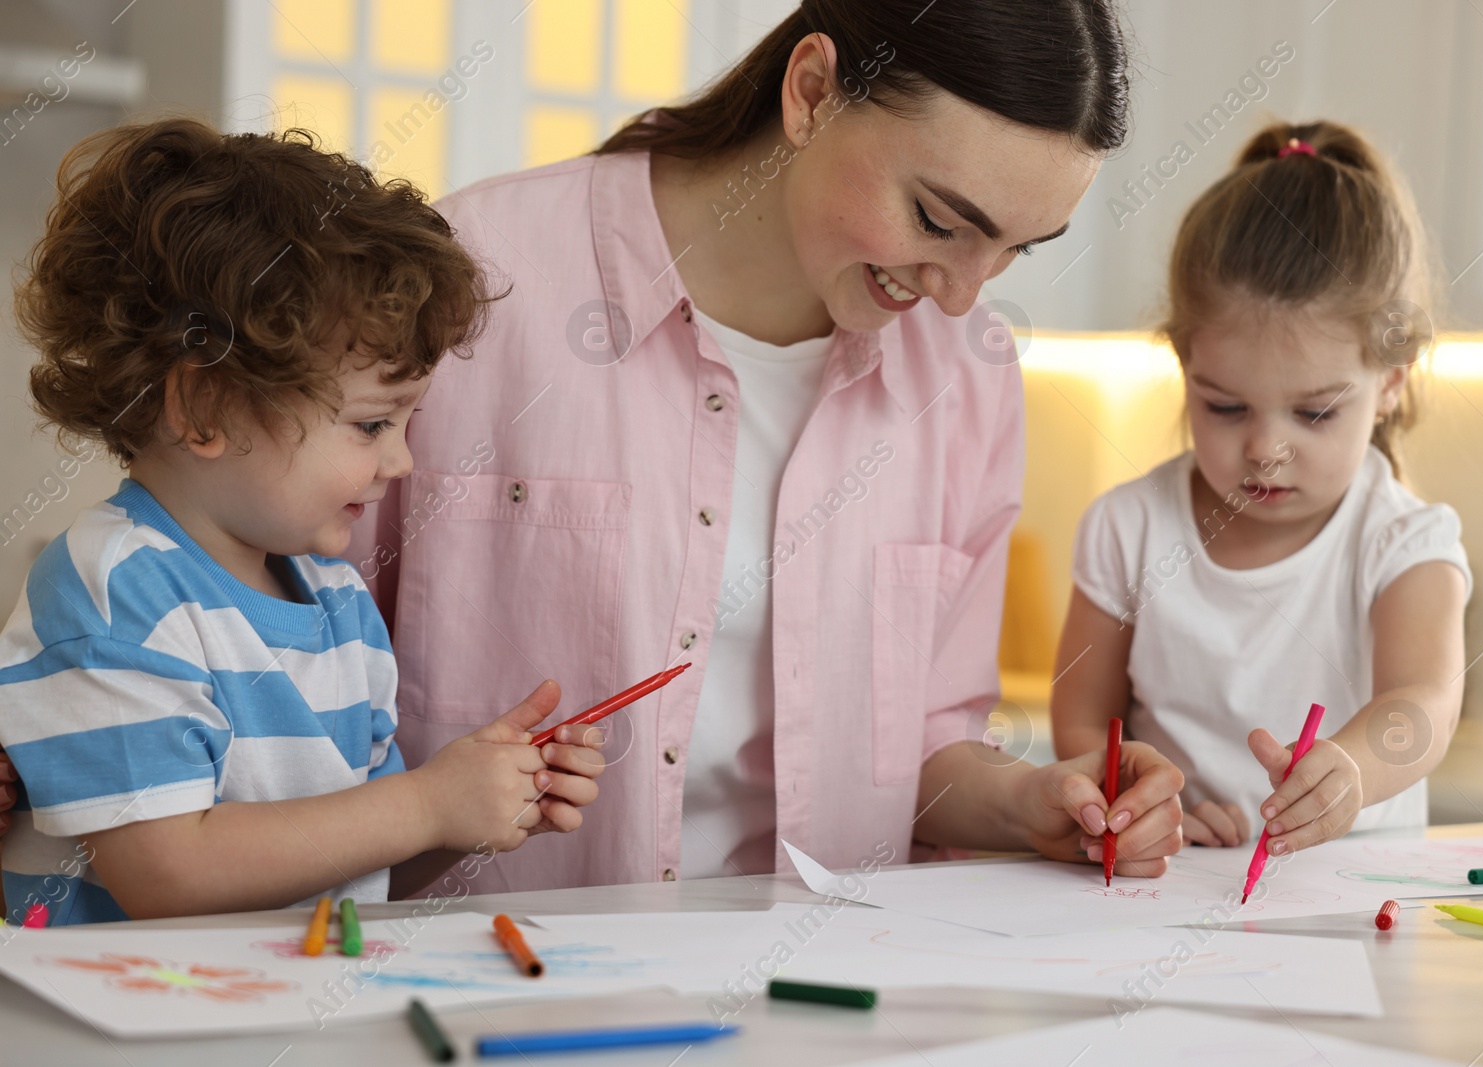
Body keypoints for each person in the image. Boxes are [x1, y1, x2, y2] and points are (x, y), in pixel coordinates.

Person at [345, 0, 1184, 894]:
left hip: (817, 1006)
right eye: (940, 222)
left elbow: (928, 752)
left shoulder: (968, 374)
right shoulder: (477, 278)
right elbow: (296, 694)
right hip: (488, 995)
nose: (962, 297)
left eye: (1015, 249)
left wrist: (1033, 803)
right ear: (813, 91)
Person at [0, 119, 605, 925]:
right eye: (370, 425)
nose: (402, 463)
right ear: (206, 408)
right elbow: (167, 871)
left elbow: (358, 858)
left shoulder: (337, 604)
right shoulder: (111, 592)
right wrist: (426, 804)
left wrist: (477, 803)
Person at [1050, 121, 1471, 856]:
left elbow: (1424, 703)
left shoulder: (1405, 540)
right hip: (1173, 900)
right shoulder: (1129, 527)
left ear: (1391, 386)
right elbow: (1083, 717)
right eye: (1225, 406)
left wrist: (1352, 771)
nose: (1265, 450)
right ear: (1184, 364)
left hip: (1352, 911)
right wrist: (1136, 800)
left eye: (1313, 413)